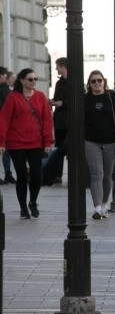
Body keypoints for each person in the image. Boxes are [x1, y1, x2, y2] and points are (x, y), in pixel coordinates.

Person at [0, 68, 53, 219]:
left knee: (36, 175)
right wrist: (1, 141)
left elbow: (47, 120)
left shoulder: (41, 97)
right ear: (22, 80)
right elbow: (4, 119)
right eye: (30, 79)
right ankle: (23, 207)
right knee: (22, 175)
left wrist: (48, 140)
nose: (33, 82)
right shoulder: (13, 97)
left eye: (35, 79)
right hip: (16, 143)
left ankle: (33, 202)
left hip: (36, 142)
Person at [84, 70, 115, 220]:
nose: (97, 83)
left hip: (110, 141)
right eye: (93, 81)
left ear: (104, 81)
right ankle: (97, 208)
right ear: (89, 84)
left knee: (107, 176)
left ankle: (104, 205)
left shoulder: (112, 96)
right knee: (96, 174)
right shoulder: (85, 99)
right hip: (90, 141)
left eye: (99, 80)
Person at [42, 57, 69, 186]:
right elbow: (58, 98)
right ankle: (57, 174)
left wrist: (62, 103)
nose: (56, 68)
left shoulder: (74, 81)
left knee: (66, 148)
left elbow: (79, 99)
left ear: (63, 66)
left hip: (70, 122)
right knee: (58, 148)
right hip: (60, 121)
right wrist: (52, 101)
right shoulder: (59, 83)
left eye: (57, 66)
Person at [0, 67, 14, 184]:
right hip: (3, 122)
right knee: (6, 149)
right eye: (5, 75)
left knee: (6, 149)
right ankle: (7, 173)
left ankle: (8, 173)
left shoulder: (4, 89)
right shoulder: (4, 89)